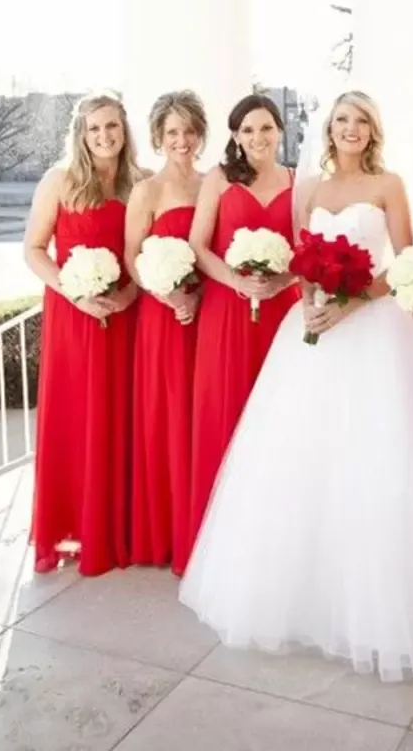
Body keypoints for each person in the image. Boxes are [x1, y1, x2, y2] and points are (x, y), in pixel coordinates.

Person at [179, 91, 413, 682]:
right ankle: (304, 600)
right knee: (300, 463)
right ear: (329, 128)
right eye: (341, 120)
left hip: (375, 334)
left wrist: (350, 304)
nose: (350, 129)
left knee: (374, 463)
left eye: (361, 121)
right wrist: (314, 301)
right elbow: (302, 257)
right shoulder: (309, 188)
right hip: (312, 332)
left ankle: (376, 611)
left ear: (374, 130)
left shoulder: (391, 184)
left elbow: (403, 261)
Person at [24, 91, 143, 575]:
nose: (104, 136)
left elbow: (147, 252)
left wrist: (129, 296)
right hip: (73, 316)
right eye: (94, 128)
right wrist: (73, 293)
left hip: (125, 314)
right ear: (81, 134)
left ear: (124, 129)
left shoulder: (140, 183)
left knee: (121, 416)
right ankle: (74, 526)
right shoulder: (60, 181)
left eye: (111, 126)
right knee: (76, 415)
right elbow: (34, 249)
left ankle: (119, 527)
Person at [182, 94, 298, 574]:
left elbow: (306, 248)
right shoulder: (219, 179)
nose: (258, 138)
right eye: (248, 130)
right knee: (226, 413)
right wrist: (236, 281)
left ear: (280, 131)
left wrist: (283, 281)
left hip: (281, 314)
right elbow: (198, 244)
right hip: (227, 313)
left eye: (266, 128)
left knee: (282, 423)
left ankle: (278, 541)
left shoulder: (297, 181)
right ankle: (220, 547)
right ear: (235, 136)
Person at [125, 90, 207, 574]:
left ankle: (205, 527)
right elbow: (133, 257)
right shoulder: (147, 191)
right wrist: (168, 294)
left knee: (205, 414)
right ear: (158, 137)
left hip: (209, 311)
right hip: (164, 316)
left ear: (201, 133)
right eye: (172, 132)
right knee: (170, 417)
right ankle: (171, 533)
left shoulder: (213, 183)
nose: (182, 140)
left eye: (189, 130)